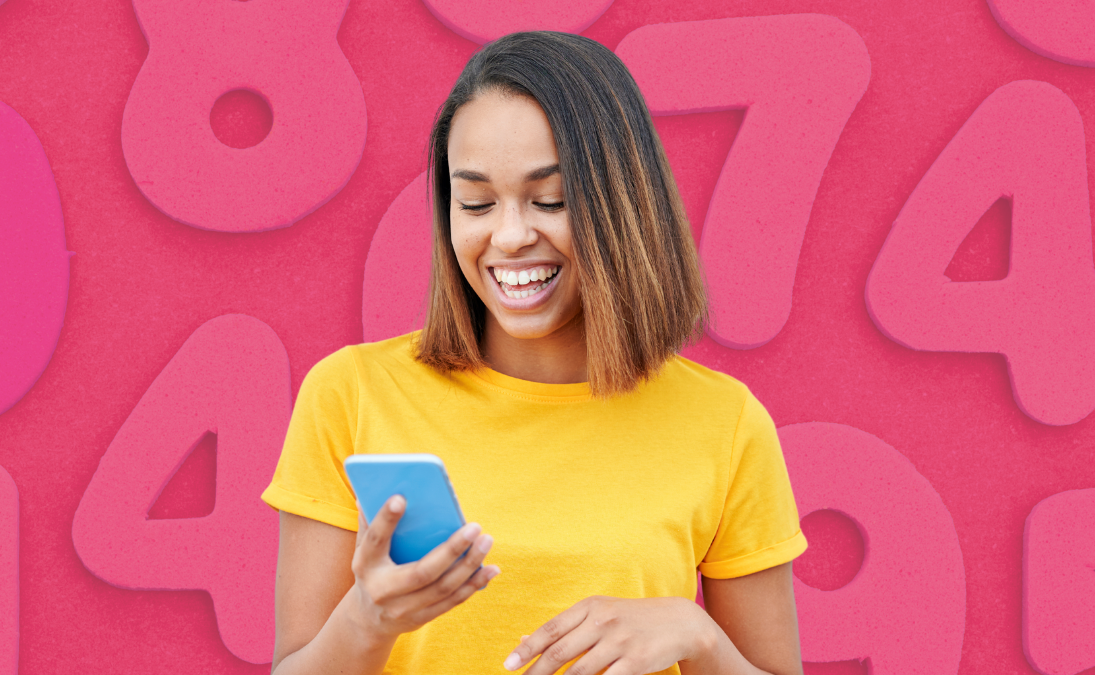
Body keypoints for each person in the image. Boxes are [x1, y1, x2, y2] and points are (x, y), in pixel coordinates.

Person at [261, 31, 808, 675]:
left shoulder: (726, 423)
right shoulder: (350, 394)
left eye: (551, 200)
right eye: (476, 203)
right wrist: (366, 623)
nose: (511, 235)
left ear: (622, 205)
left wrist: (699, 635)